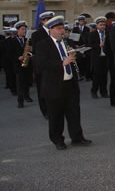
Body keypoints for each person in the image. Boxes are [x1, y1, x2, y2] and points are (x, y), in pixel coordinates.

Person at [36, 16, 92, 150]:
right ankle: (58, 139)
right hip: (54, 85)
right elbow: (42, 64)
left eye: (63, 28)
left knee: (74, 112)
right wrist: (62, 63)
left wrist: (77, 54)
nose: (62, 31)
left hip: (70, 84)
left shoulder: (67, 42)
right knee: (56, 115)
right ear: (51, 30)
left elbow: (78, 58)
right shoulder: (43, 44)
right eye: (59, 29)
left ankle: (77, 137)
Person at [31, 11, 55, 118]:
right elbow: (37, 51)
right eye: (47, 20)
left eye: (51, 19)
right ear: (42, 22)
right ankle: (45, 111)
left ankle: (54, 109)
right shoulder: (36, 34)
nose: (49, 21)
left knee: (54, 88)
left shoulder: (55, 31)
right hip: (42, 66)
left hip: (55, 66)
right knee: (42, 89)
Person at [11, 21, 33, 108]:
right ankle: (20, 101)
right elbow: (10, 54)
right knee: (20, 83)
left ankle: (27, 96)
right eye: (22, 29)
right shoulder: (12, 41)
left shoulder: (27, 40)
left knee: (27, 82)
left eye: (25, 29)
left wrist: (31, 51)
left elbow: (31, 52)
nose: (24, 31)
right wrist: (18, 57)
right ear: (17, 30)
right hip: (18, 65)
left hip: (27, 64)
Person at [88, 17, 109, 99]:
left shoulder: (107, 33)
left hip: (105, 57)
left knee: (104, 76)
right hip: (96, 57)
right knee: (97, 75)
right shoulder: (92, 34)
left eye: (104, 25)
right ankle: (94, 91)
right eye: (101, 25)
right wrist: (98, 45)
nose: (102, 26)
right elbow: (89, 45)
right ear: (97, 25)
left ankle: (104, 92)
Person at [105, 11, 115, 107]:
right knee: (114, 80)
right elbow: (107, 48)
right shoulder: (109, 32)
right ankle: (113, 101)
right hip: (112, 59)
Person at [72, 15, 91, 81]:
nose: (81, 22)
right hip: (78, 46)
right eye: (80, 21)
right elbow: (73, 38)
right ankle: (81, 74)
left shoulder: (87, 28)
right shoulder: (75, 29)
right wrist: (75, 45)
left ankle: (87, 75)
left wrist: (86, 44)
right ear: (79, 22)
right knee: (79, 61)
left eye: (82, 21)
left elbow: (88, 37)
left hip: (85, 46)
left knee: (86, 61)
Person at [2, 28, 17, 95]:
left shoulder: (17, 40)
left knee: (13, 76)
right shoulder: (5, 41)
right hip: (8, 61)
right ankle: (12, 88)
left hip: (14, 61)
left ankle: (14, 88)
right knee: (11, 75)